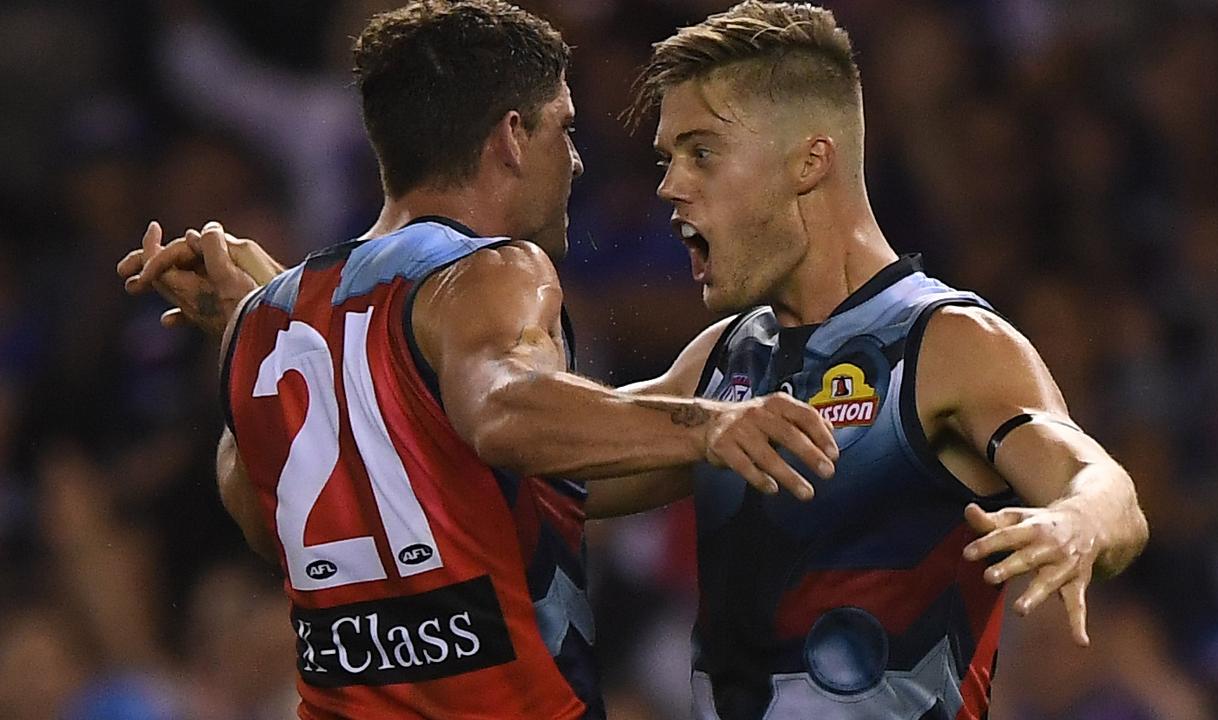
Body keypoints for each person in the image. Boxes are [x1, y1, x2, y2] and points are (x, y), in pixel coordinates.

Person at [125, 2, 1149, 719]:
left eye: (699, 152)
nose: (666, 188)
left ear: (809, 160)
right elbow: (464, 456)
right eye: (664, 158)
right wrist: (293, 314)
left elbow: (1098, 480)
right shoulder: (720, 365)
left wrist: (1070, 521)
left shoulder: (944, 342)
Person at [119, 2, 839, 719]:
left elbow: (266, 514)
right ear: (513, 137)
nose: (578, 158)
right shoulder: (493, 271)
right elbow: (501, 410)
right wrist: (706, 424)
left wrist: (251, 319)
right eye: (565, 127)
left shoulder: (273, 319)